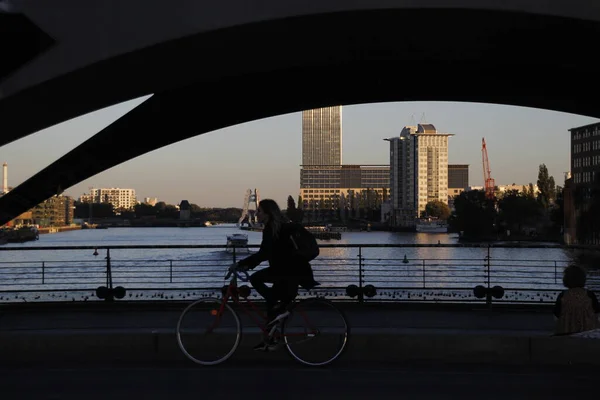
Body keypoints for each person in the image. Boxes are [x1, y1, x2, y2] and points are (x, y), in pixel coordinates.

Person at [235, 199, 318, 351]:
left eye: (259, 211)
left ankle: (277, 319)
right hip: (292, 271)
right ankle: (270, 339)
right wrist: (247, 263)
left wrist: (241, 264)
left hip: (287, 272)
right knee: (272, 305)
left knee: (256, 279)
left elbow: (263, 254)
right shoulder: (280, 226)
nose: (256, 214)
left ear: (267, 214)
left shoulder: (272, 229)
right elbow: (267, 254)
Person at [553, 264, 600, 336]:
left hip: (566, 334)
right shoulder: (590, 295)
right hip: (588, 334)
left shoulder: (562, 296)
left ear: (566, 279)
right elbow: (597, 312)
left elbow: (557, 315)